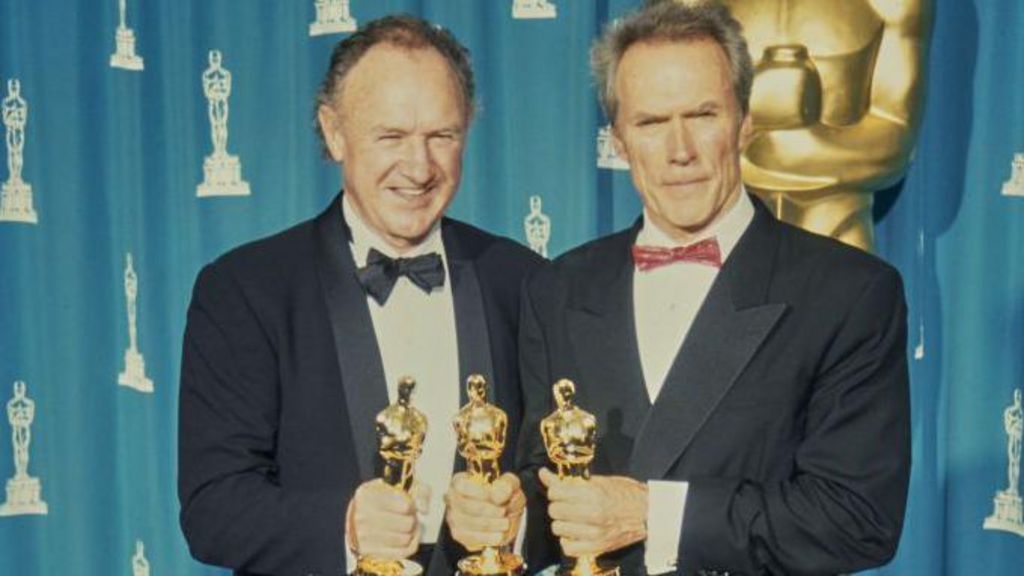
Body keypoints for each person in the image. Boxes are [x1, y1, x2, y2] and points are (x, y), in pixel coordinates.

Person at [517, 1, 911, 574]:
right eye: (651, 123)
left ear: (745, 121)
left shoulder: (850, 294)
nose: (680, 151)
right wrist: (510, 516)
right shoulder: (557, 289)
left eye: (702, 115)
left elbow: (857, 518)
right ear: (619, 141)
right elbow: (548, 488)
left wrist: (655, 512)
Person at [178, 15, 540, 576]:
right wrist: (345, 525)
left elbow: (565, 483)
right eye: (391, 136)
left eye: (441, 136)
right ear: (334, 131)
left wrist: (516, 522)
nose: (419, 167)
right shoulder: (245, 289)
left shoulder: (521, 279)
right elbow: (214, 509)